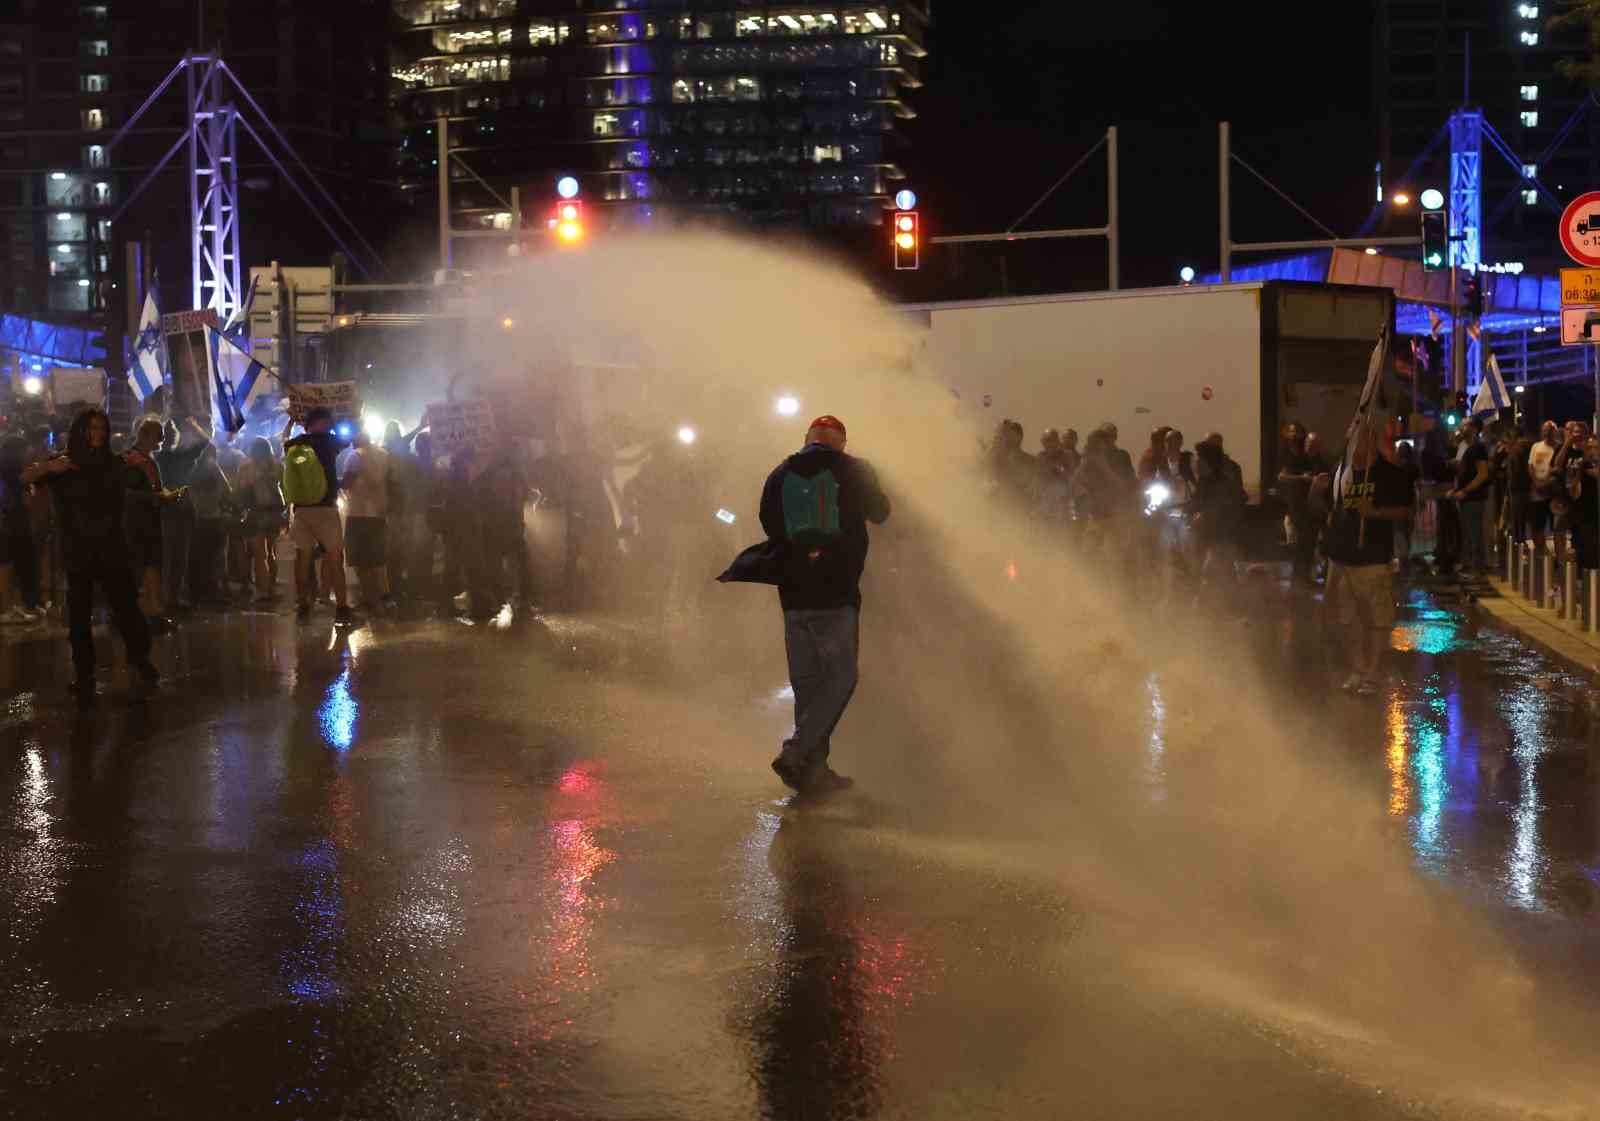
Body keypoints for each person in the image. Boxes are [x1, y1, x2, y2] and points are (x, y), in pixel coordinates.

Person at [719, 415, 890, 796]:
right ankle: (797, 751)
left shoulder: (782, 471)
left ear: (807, 439)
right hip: (837, 590)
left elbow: (768, 521)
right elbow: (881, 512)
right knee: (841, 677)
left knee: (808, 684)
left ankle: (814, 772)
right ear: (841, 442)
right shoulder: (854, 470)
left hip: (794, 593)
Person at [20, 408, 158, 704]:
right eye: (91, 429)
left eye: (101, 429)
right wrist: (48, 469)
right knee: (80, 616)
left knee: (126, 609)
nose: (97, 435)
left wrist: (145, 467)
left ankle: (141, 661)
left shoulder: (114, 463)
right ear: (81, 431)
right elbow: (26, 477)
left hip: (112, 548)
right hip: (79, 551)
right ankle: (85, 676)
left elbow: (153, 490)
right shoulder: (65, 463)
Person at [1323, 426, 1412, 695]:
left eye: (1360, 438)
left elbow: (1405, 510)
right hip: (1342, 557)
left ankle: (1373, 672)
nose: (1355, 445)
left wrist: (1374, 512)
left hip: (1372, 557)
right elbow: (1330, 510)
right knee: (1346, 619)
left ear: (1371, 441)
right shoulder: (1343, 473)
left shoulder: (1389, 475)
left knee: (1376, 619)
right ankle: (1357, 669)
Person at [284, 407, 355, 626]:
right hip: (325, 509)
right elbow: (350, 437)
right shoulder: (329, 441)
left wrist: (290, 422)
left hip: (302, 510)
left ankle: (303, 605)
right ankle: (342, 608)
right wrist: (339, 421)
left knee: (302, 559)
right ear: (324, 421)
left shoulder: (296, 443)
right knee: (335, 558)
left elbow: (283, 442)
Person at [155, 417, 210, 615]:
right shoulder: (182, 457)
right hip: (181, 508)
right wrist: (193, 425)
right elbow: (205, 441)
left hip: (164, 509)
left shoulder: (157, 458)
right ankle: (173, 597)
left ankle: (166, 597)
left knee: (168, 556)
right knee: (179, 556)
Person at [122, 417, 172, 629]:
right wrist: (154, 497)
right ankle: (135, 613)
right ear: (145, 435)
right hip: (134, 523)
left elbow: (154, 488)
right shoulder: (128, 459)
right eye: (157, 435)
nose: (160, 440)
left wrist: (162, 496)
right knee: (138, 567)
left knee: (152, 565)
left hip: (149, 521)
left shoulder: (148, 460)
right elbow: (124, 493)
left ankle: (154, 610)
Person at [337, 429, 394, 612]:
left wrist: (331, 481)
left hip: (359, 513)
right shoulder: (384, 455)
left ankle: (371, 600)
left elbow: (347, 482)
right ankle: (384, 596)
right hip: (379, 513)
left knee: (361, 561)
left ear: (355, 441)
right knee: (377, 559)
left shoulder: (355, 456)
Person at [235, 436, 284, 604]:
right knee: (271, 552)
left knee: (259, 554)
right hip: (275, 513)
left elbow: (240, 489)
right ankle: (271, 587)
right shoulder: (277, 465)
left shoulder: (246, 466)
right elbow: (284, 488)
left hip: (256, 512)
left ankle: (262, 591)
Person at [186, 443, 235, 606]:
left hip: (195, 520)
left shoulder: (190, 470)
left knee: (197, 557)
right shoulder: (215, 470)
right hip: (214, 519)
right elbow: (227, 493)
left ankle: (196, 593)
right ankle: (213, 592)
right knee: (215, 557)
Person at [1447, 418, 1492, 582]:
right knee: (1467, 533)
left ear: (1473, 428)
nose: (1461, 427)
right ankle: (1471, 567)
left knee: (1474, 534)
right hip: (1467, 498)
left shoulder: (1478, 448)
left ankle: (1477, 570)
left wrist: (1464, 491)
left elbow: (1483, 474)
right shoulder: (1469, 448)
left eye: (1465, 424)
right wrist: (1457, 490)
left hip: (1474, 499)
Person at [1569, 436, 1600, 572]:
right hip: (1584, 514)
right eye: (1589, 448)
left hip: (1594, 514)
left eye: (1595, 447)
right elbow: (1573, 491)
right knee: (1585, 549)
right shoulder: (1581, 467)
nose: (1592, 451)